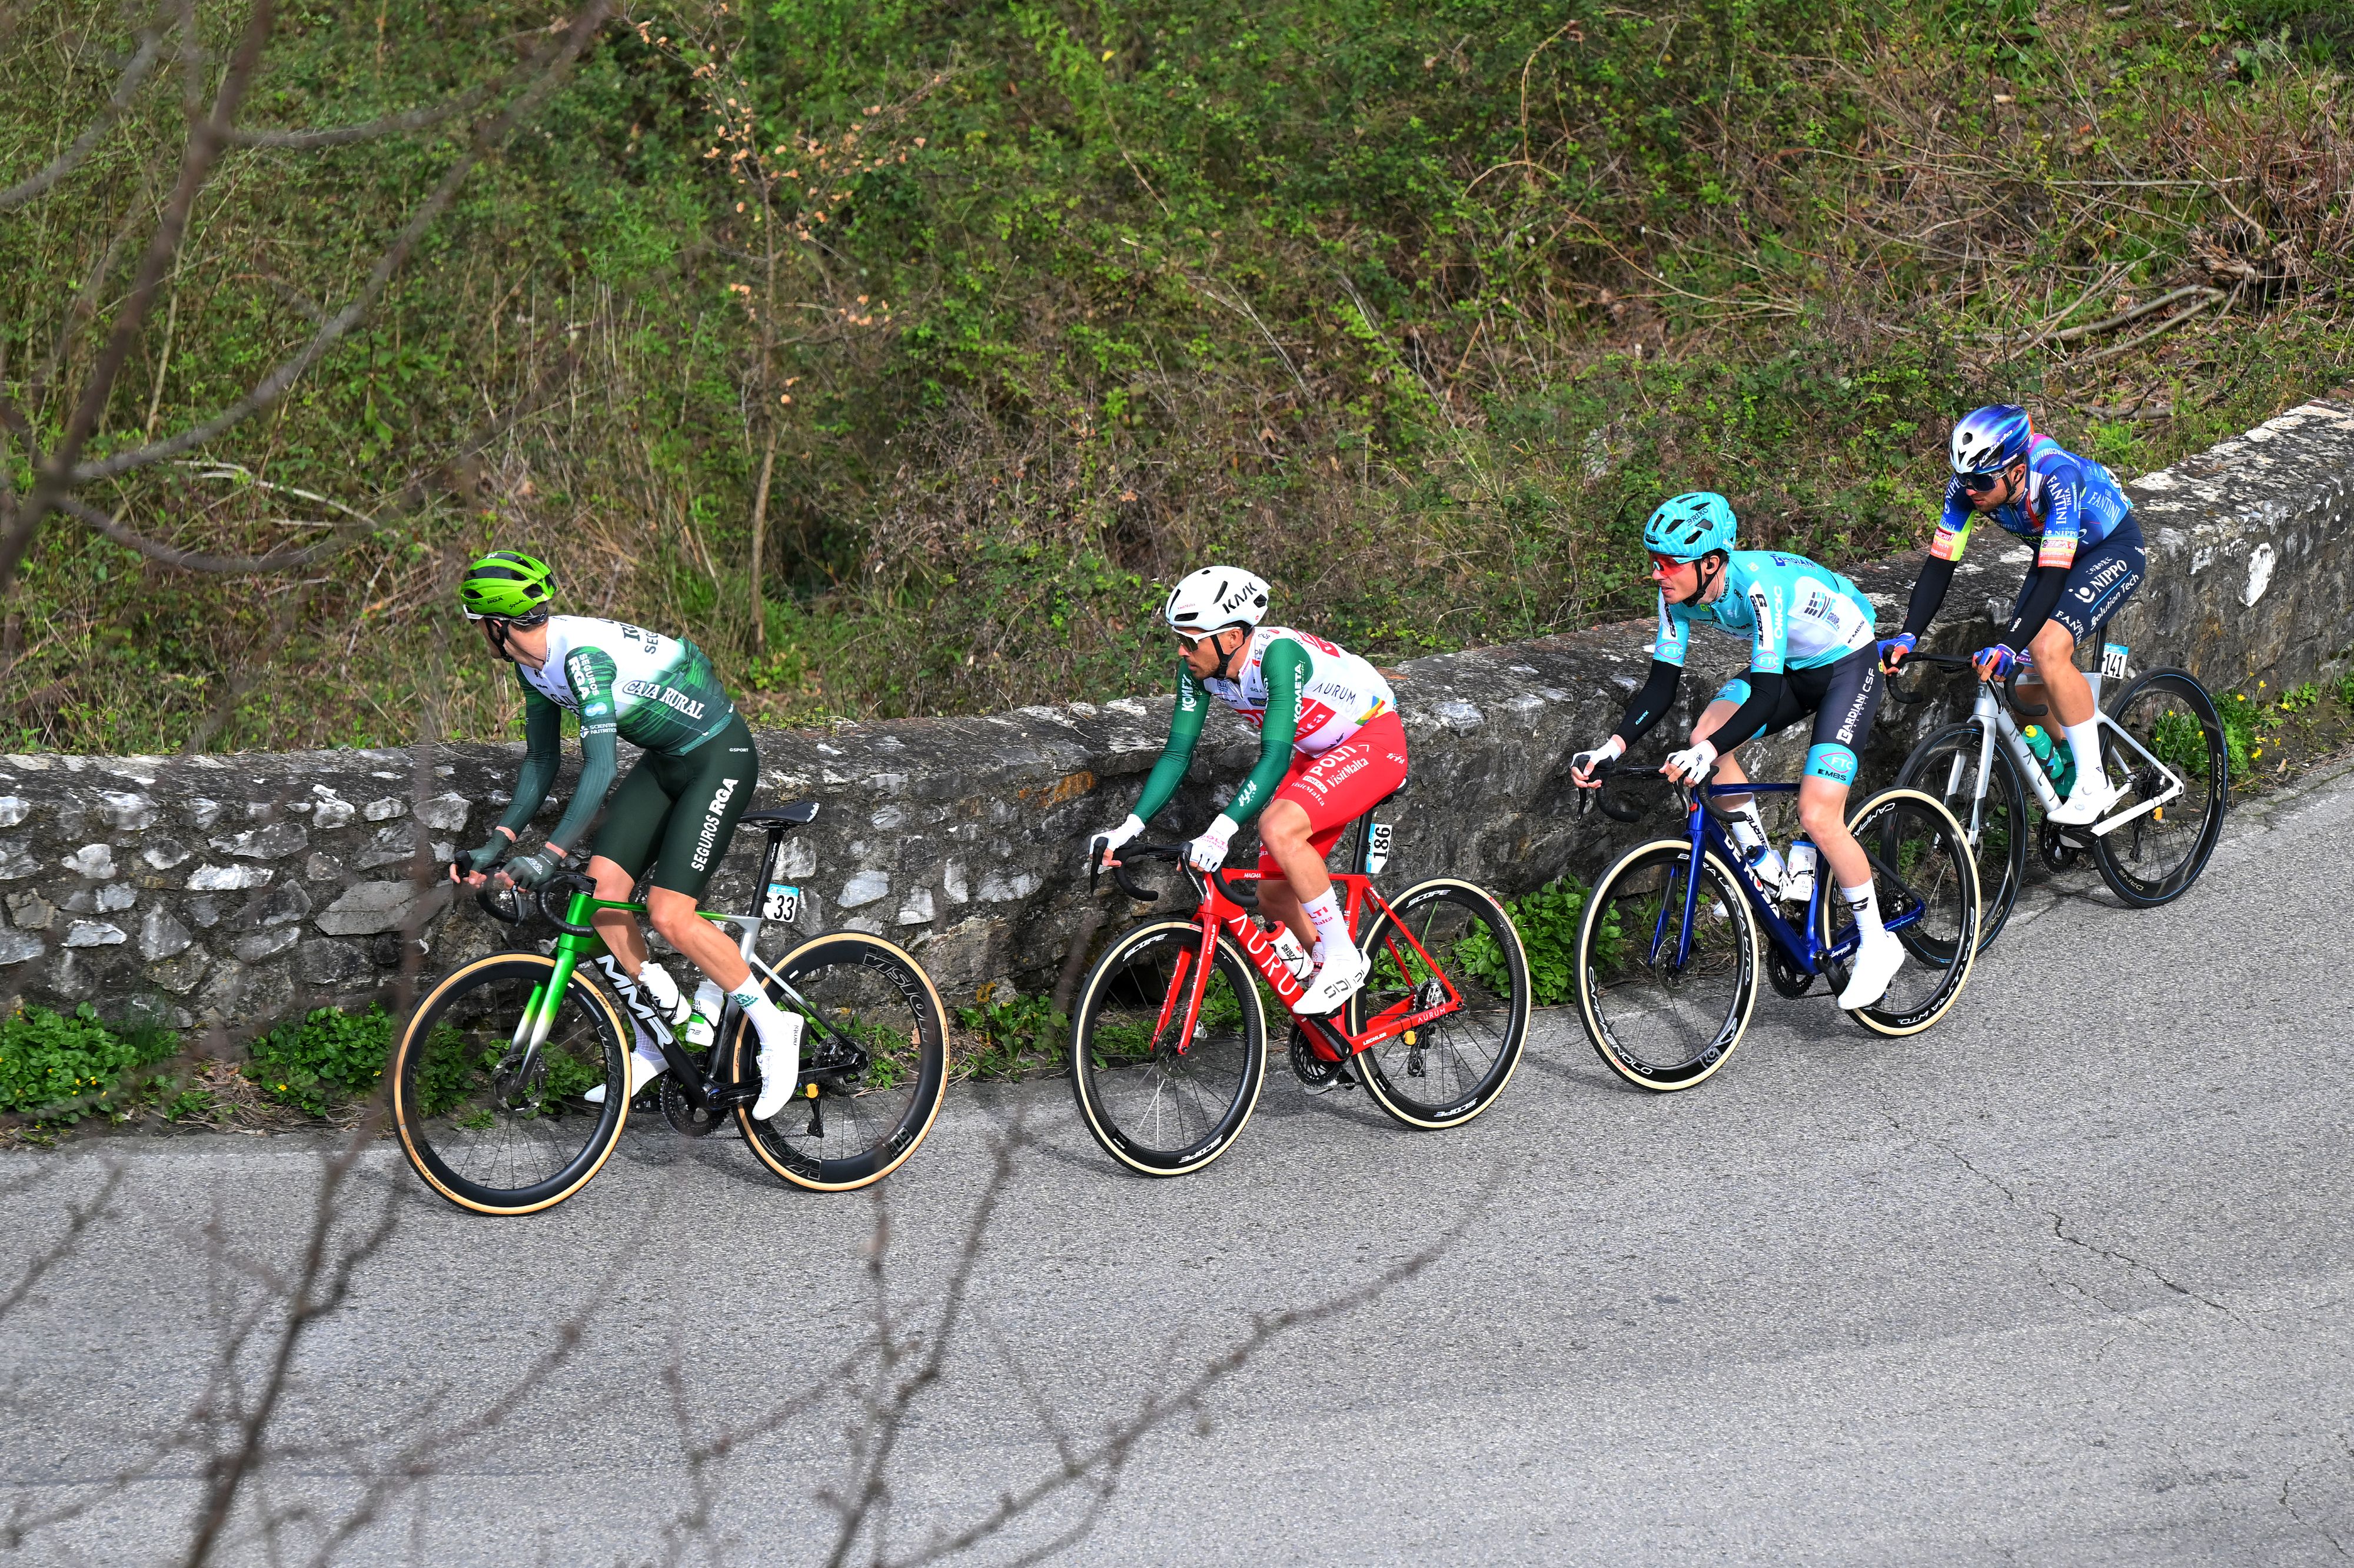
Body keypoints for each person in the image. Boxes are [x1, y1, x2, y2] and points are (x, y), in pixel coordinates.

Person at [447, 550, 801, 1120]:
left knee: (669, 915)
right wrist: (497, 843)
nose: (478, 636)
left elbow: (600, 766)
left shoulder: (581, 658)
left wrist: (550, 853)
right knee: (602, 892)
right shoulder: (531, 664)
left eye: (477, 625)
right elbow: (540, 760)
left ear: (496, 624)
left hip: (718, 756)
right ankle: (656, 1042)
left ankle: (775, 1029)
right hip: (665, 759)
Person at [1568, 492, 1904, 1010]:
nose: (1657, 574)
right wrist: (1611, 747)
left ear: (1710, 563)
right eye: (1653, 562)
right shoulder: (1675, 596)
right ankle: (1766, 866)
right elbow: (1661, 687)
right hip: (1793, 664)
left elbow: (1766, 695)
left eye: (1668, 564)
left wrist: (1705, 753)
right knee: (1709, 728)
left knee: (1817, 813)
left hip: (1846, 664)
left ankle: (1878, 942)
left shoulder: (1759, 587)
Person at [1090, 567, 1407, 1016]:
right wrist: (1129, 826)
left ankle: (1343, 955)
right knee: (1273, 895)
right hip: (1318, 753)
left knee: (1277, 827)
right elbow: (1178, 753)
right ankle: (1339, 1014)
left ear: (1233, 637)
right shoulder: (1198, 670)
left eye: (1192, 640)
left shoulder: (1278, 656)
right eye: (1179, 638)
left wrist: (1220, 831)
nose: (1182, 650)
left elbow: (1274, 757)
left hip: (1373, 740)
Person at [1879, 405, 2144, 827]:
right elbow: (1940, 565)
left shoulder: (2056, 476)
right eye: (1963, 479)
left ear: (2018, 470)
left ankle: (2095, 783)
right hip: (2054, 553)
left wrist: (2011, 643)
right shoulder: (1966, 488)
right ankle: (2071, 768)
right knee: (2014, 683)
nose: (1970, 491)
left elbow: (2055, 576)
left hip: (2110, 548)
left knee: (2046, 648)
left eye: (1981, 481)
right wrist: (1908, 635)